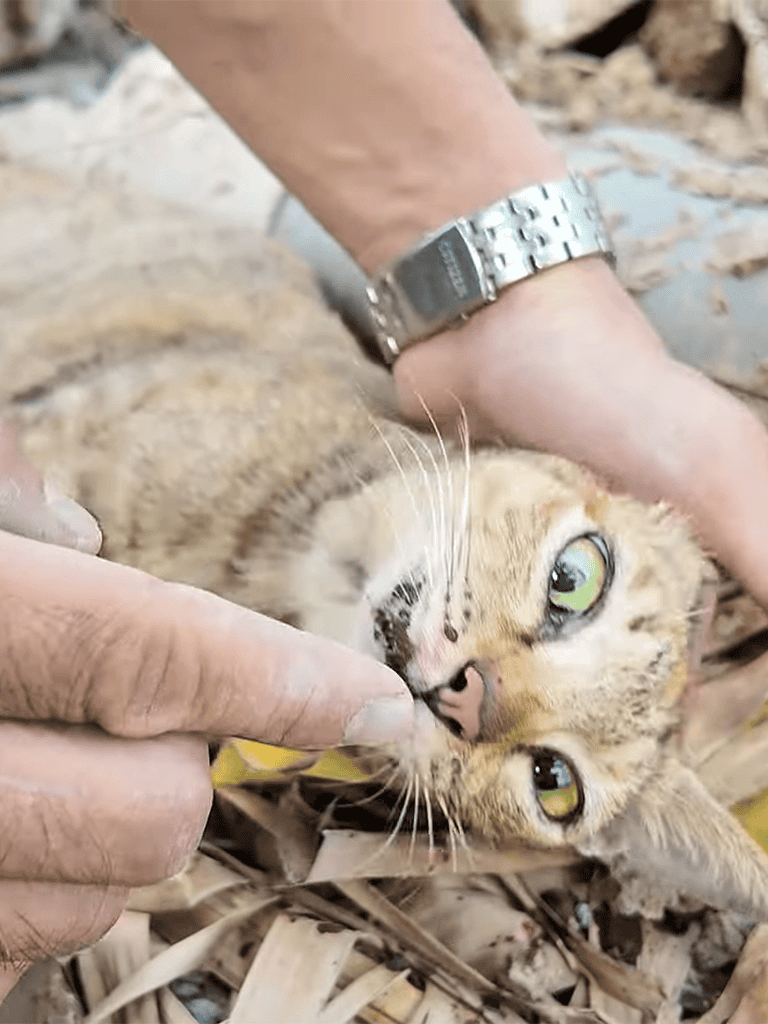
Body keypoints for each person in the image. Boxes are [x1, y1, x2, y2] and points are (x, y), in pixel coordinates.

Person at [2, 0, 768, 1003]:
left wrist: (539, 310)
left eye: (552, 779)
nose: (490, 701)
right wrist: (526, 287)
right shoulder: (227, 438)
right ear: (564, 473)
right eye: (573, 583)